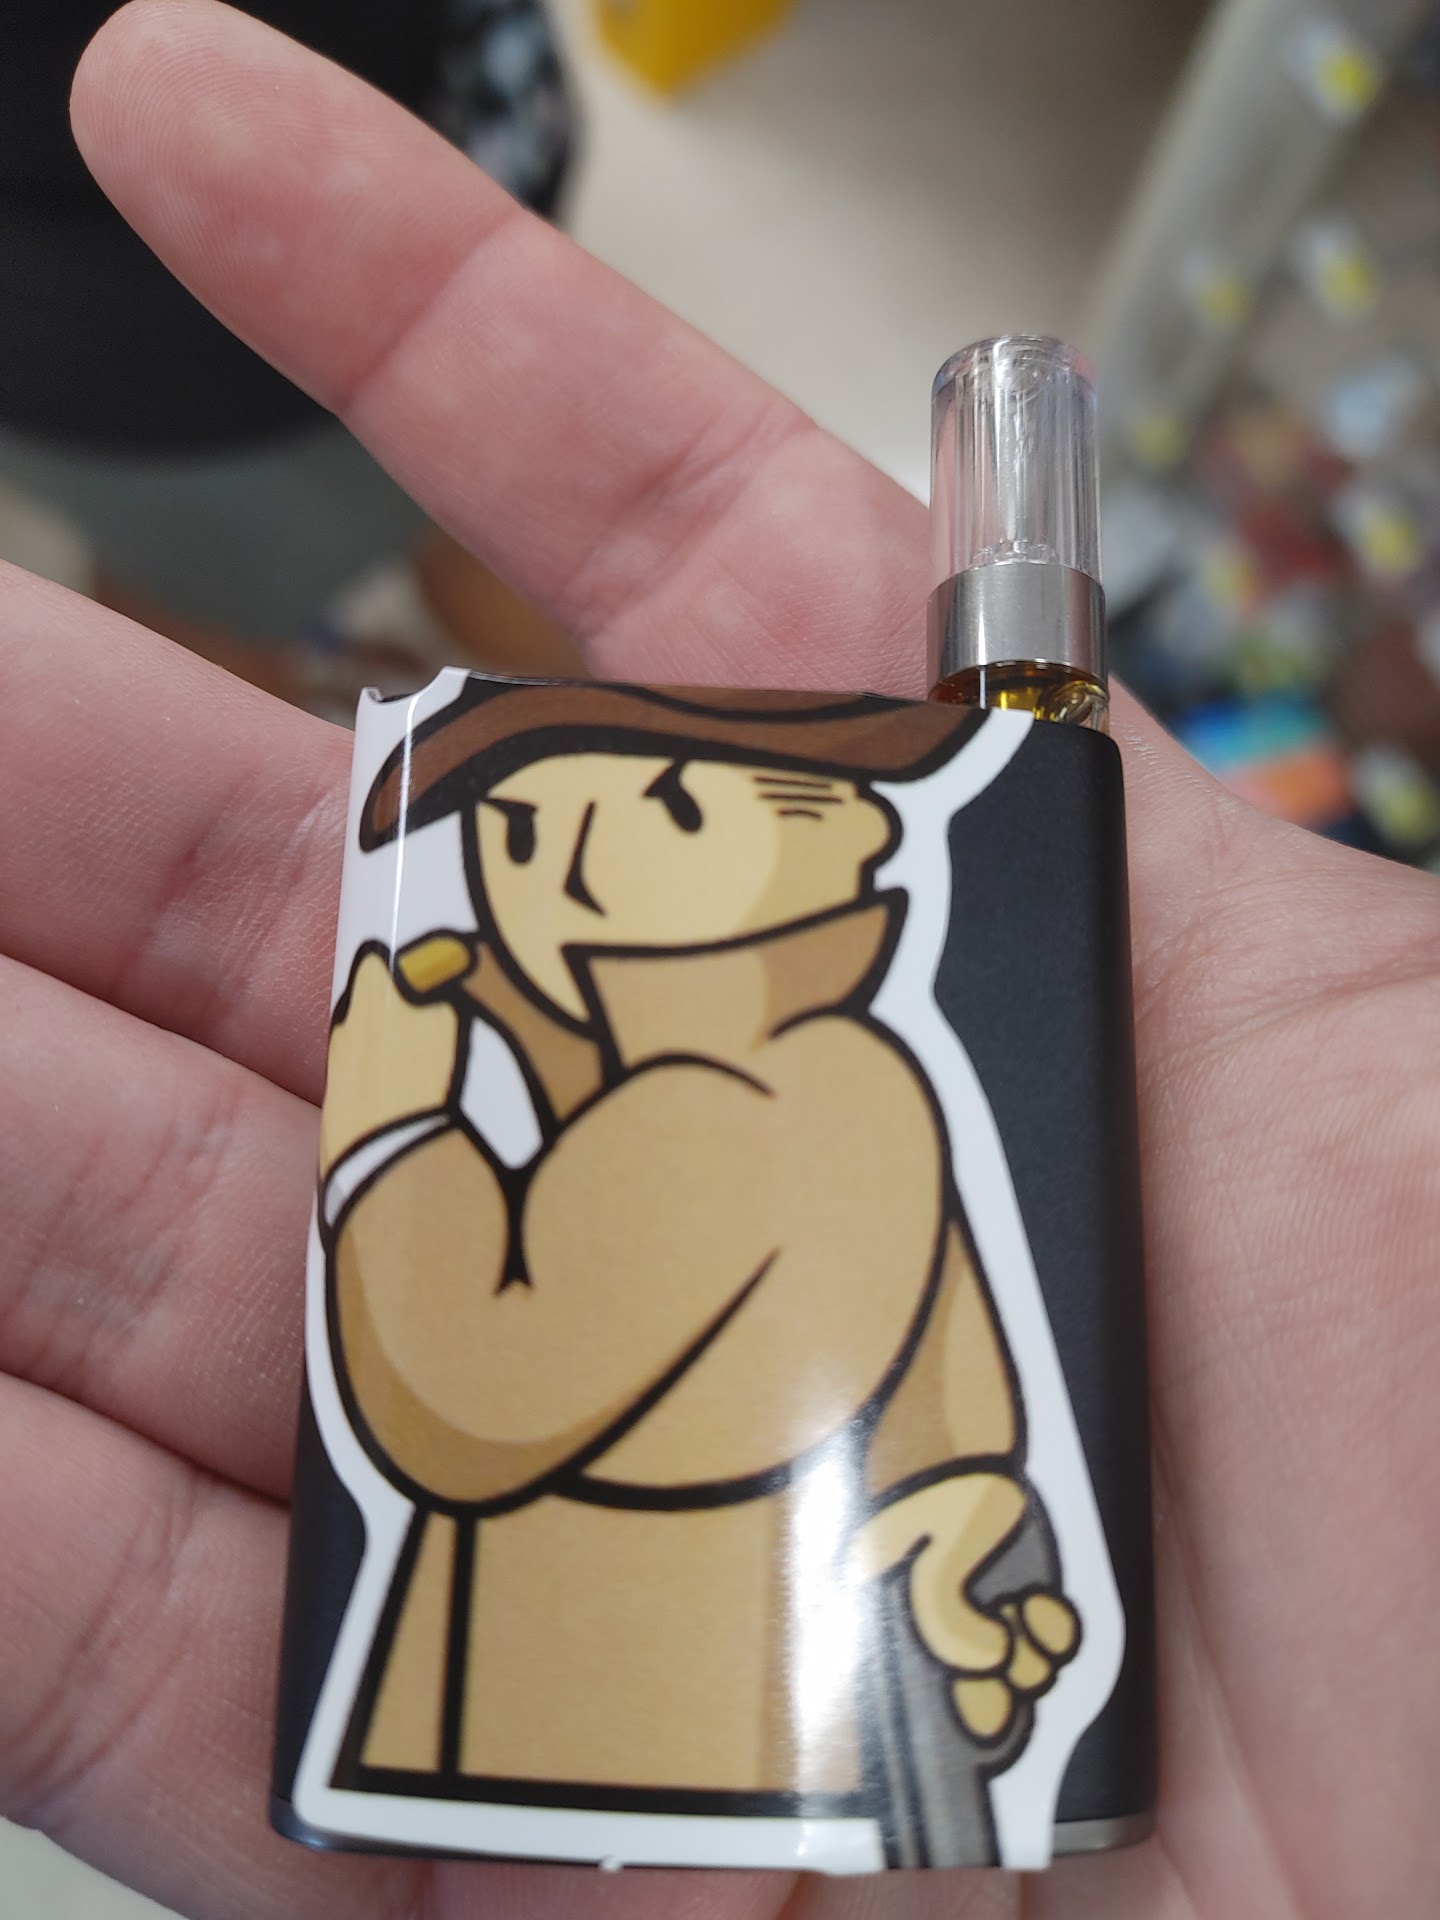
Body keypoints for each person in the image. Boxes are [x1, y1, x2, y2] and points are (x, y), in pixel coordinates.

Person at [0, 3, 1435, 1918]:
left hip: (598, 1700)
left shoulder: (772, 1093)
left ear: (842, 847)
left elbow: (468, 1392)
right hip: (668, 1691)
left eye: (648, 802)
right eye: (525, 837)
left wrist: (410, 1106)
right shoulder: (792, 1068)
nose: (555, 839)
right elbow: (924, 1350)